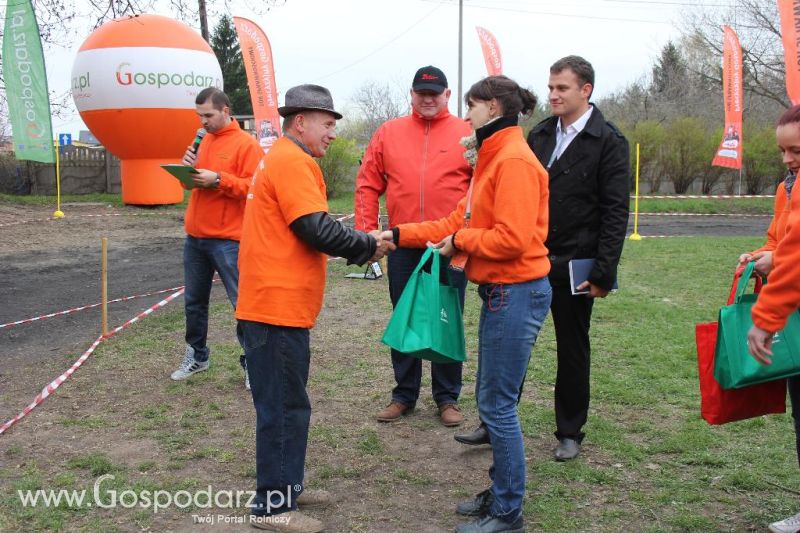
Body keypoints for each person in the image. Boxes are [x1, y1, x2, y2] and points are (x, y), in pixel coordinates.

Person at [380, 75, 550, 533]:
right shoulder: (492, 159)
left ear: (492, 108)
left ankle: (508, 511)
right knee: (495, 401)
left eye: (472, 106)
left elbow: (511, 240)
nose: (466, 116)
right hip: (501, 293)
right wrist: (397, 235)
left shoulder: (512, 161)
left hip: (514, 293)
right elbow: (455, 220)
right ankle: (499, 493)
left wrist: (459, 240)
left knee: (497, 406)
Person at [236, 84, 394, 532]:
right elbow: (314, 227)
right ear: (300, 121)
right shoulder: (292, 161)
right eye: (327, 124)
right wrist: (366, 245)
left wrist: (362, 245)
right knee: (283, 408)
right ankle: (272, 507)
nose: (332, 134)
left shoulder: (287, 159)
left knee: (290, 403)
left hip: (277, 305)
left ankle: (289, 486)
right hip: (274, 308)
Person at [355, 65, 472, 427]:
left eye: (435, 93)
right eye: (421, 93)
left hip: (449, 245)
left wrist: (465, 236)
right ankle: (403, 394)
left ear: (447, 95)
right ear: (411, 94)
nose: (428, 99)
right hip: (402, 245)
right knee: (404, 316)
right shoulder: (389, 133)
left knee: (445, 316)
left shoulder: (467, 134)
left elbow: (481, 188)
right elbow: (367, 183)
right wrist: (366, 234)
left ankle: (447, 397)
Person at [526, 55, 630, 461]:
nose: (552, 94)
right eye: (550, 87)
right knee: (513, 343)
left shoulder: (608, 141)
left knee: (572, 349)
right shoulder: (538, 135)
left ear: (585, 90)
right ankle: (494, 421)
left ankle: (570, 431)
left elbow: (615, 210)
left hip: (576, 267)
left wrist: (604, 272)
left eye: (561, 88)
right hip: (531, 259)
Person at [169, 87, 263, 389]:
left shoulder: (247, 145)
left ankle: (253, 363)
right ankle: (197, 355)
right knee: (194, 301)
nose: (203, 122)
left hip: (229, 240)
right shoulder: (203, 140)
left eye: (208, 115)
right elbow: (192, 186)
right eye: (199, 116)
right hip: (195, 237)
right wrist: (187, 172)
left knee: (242, 304)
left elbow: (255, 188)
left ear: (225, 110)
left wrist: (219, 180)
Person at [744, 104, 800, 533]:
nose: (787, 159)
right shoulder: (788, 187)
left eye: (795, 150)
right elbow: (781, 239)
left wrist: (764, 318)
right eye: (783, 151)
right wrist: (762, 254)